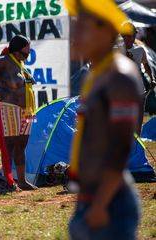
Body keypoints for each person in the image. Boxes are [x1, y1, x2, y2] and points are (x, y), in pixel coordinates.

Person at [65, 0, 142, 239]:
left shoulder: (120, 78)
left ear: (106, 30)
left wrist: (100, 204)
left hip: (109, 205)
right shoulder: (97, 74)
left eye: (82, 27)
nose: (74, 35)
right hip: (91, 200)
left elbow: (120, 148)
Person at [0, 35, 37, 191]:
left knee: (21, 145)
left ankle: (22, 181)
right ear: (19, 48)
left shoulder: (21, 65)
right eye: (27, 47)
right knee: (10, 145)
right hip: (9, 108)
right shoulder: (4, 61)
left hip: (27, 111)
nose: (29, 50)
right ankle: (8, 180)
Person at [121, 21, 156, 134]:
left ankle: (137, 145)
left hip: (139, 90)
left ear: (135, 35)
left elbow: (146, 65)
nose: (128, 39)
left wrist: (152, 78)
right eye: (125, 36)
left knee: (138, 120)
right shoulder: (116, 50)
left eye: (131, 35)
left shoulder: (140, 50)